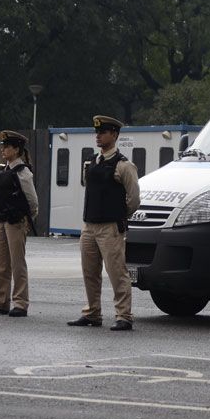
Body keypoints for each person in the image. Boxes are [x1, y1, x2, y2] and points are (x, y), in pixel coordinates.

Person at [68, 115, 140, 331]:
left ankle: (124, 315)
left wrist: (119, 214)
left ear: (114, 135)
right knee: (89, 271)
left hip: (110, 227)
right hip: (89, 225)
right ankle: (92, 312)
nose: (98, 136)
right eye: (96, 132)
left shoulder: (124, 165)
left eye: (103, 132)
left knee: (117, 271)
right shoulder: (91, 162)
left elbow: (134, 199)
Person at [0, 130, 39, 317]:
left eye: (7, 146)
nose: (3, 149)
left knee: (17, 263)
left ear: (16, 149)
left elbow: (32, 202)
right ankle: (1, 301)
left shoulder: (23, 172)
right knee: (1, 263)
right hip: (1, 221)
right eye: (2, 146)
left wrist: (25, 222)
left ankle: (20, 303)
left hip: (16, 222)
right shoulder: (3, 169)